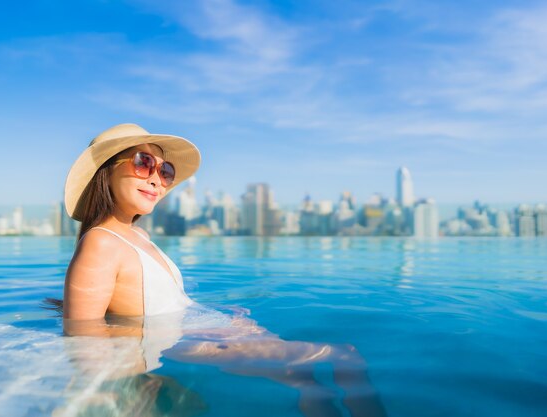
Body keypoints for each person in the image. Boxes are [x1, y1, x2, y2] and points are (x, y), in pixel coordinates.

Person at [56, 123, 387, 417]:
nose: (157, 180)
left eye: (165, 171)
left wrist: (213, 315)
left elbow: (154, 302)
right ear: (106, 171)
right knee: (345, 356)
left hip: (210, 330)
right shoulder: (101, 242)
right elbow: (84, 334)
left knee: (304, 378)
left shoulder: (136, 236)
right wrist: (127, 390)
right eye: (143, 163)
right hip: (196, 341)